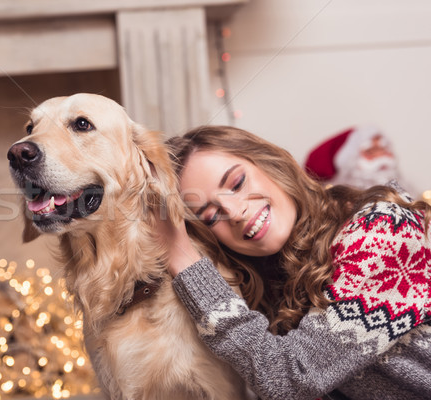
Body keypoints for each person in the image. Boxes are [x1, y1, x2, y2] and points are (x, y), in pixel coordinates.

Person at [159, 125, 431, 400]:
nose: (235, 212)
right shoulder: (275, 287)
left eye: (237, 183)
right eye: (211, 216)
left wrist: (183, 259)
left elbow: (291, 380)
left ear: (271, 163)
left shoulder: (383, 229)